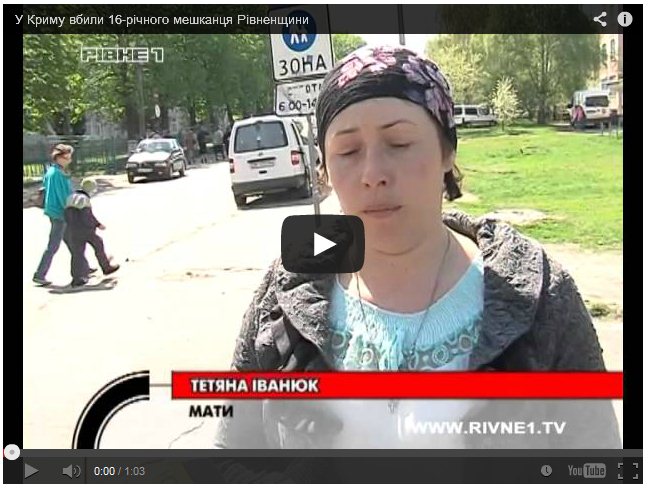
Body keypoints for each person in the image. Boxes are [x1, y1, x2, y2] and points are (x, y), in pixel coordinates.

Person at [214, 46, 620, 449]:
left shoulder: (539, 295)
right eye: (348, 151)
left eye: (399, 143)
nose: (373, 173)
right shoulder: (285, 294)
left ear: (447, 150)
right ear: (325, 168)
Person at [33, 144, 87, 286]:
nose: (69, 160)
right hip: (60, 213)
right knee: (54, 245)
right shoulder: (57, 174)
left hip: (56, 211)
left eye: (70, 157)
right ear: (58, 157)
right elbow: (62, 196)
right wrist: (72, 209)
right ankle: (39, 274)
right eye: (66, 158)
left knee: (72, 241)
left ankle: (83, 267)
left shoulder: (52, 171)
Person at [64, 178, 120, 287]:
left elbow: (66, 213)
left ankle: (77, 279)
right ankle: (106, 267)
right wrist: (97, 225)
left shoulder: (71, 197)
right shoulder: (84, 199)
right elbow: (87, 216)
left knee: (77, 254)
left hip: (72, 229)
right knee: (98, 243)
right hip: (85, 229)